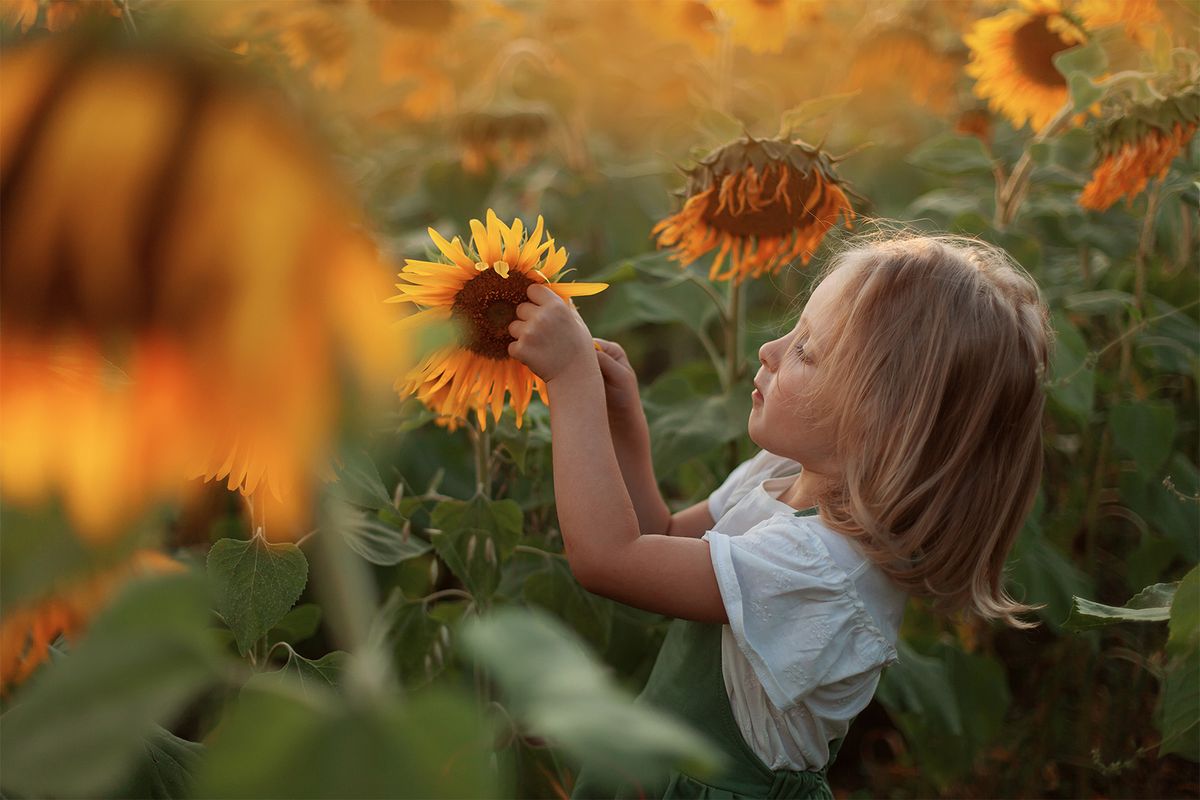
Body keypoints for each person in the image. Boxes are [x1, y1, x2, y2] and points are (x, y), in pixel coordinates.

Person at [506, 231, 1052, 799]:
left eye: (806, 351)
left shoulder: (823, 570)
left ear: (882, 421)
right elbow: (656, 539)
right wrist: (624, 426)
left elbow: (609, 560)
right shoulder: (784, 474)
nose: (770, 349)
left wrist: (571, 381)